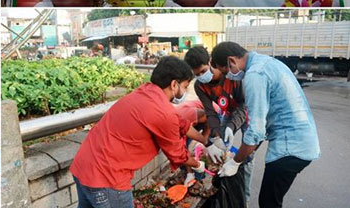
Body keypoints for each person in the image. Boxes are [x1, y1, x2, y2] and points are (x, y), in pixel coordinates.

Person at [70, 57, 205, 207]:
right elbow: (179, 155)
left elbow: (181, 124)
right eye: (185, 86)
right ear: (174, 84)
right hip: (107, 178)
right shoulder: (163, 112)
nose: (185, 91)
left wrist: (206, 141)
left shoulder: (145, 92)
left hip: (83, 166)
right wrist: (198, 164)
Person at [211, 42, 319, 208]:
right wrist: (241, 157)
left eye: (225, 71)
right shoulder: (268, 63)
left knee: (269, 203)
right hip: (304, 142)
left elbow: (255, 130)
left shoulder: (255, 74)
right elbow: (259, 132)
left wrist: (235, 162)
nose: (227, 76)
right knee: (271, 200)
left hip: (289, 148)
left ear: (231, 61)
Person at [185, 46, 255, 201]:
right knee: (221, 148)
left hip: (248, 112)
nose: (202, 76)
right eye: (197, 74)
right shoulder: (199, 86)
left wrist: (231, 126)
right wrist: (214, 137)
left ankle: (245, 198)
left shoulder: (231, 75)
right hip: (228, 113)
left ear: (210, 62)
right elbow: (210, 112)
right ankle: (222, 185)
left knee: (247, 156)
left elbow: (244, 105)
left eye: (203, 71)